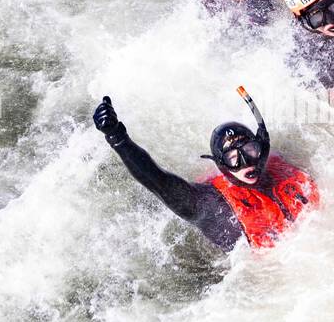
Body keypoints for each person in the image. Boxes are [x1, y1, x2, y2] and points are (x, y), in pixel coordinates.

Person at [92, 89, 318, 250]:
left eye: (249, 151)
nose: (246, 162)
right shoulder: (212, 205)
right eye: (233, 158)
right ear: (220, 164)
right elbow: (159, 182)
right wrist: (117, 138)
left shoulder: (282, 165)